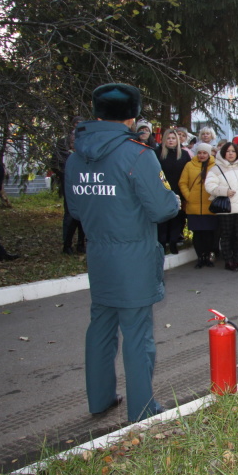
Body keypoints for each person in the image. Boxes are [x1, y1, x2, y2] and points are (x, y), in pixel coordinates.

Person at [65, 83, 179, 422]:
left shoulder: (76, 157)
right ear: (132, 116)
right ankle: (142, 407)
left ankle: (100, 399)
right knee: (137, 333)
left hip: (99, 254)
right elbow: (161, 209)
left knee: (100, 328)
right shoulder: (137, 154)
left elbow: (75, 208)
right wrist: (172, 199)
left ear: (97, 112)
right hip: (133, 256)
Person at [205, 142, 238, 271]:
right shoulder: (216, 169)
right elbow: (209, 186)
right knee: (227, 235)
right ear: (223, 153)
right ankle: (229, 260)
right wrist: (224, 191)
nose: (231, 153)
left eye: (233, 151)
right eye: (228, 151)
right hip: (227, 208)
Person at [51, 116, 86, 254]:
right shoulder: (62, 144)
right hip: (69, 184)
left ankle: (81, 244)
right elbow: (55, 163)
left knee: (83, 215)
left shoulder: (86, 145)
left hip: (84, 184)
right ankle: (67, 244)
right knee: (70, 215)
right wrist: (65, 174)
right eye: (76, 124)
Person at [179, 143, 217, 268]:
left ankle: (208, 255)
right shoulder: (189, 165)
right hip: (194, 207)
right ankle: (200, 257)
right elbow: (183, 182)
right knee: (198, 234)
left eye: (204, 153)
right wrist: (189, 196)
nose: (202, 155)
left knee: (209, 234)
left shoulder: (215, 166)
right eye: (200, 152)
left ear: (209, 153)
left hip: (210, 206)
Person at [155, 128, 191, 255]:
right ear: (164, 140)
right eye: (168, 138)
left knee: (177, 218)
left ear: (177, 140)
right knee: (163, 219)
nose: (171, 141)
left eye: (173, 138)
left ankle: (174, 242)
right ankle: (162, 243)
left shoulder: (184, 155)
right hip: (162, 191)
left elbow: (188, 174)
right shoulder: (157, 152)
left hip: (179, 190)